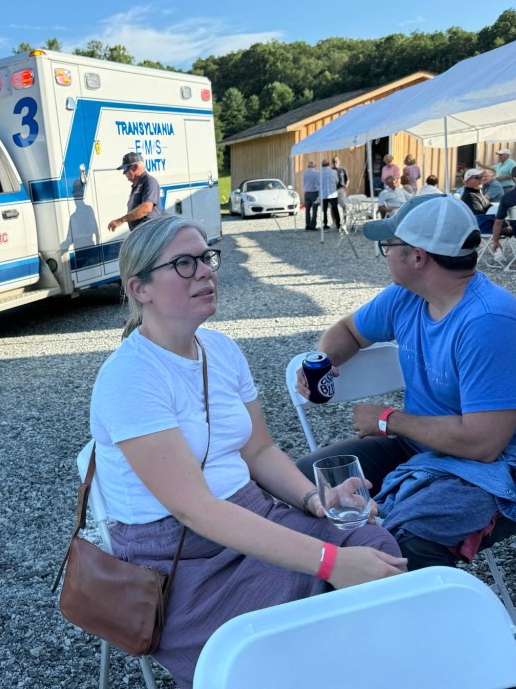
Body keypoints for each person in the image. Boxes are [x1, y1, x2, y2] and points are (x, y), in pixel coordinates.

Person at [91, 215, 405, 687]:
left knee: (374, 548)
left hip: (251, 513)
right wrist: (330, 562)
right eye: (184, 263)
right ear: (140, 288)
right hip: (179, 554)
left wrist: (315, 499)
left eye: (206, 258)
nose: (205, 271)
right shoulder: (130, 377)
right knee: (275, 638)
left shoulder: (220, 350)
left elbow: (259, 451)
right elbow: (195, 509)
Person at [294, 196, 516, 571]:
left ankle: (418, 605)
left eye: (388, 245)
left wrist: (387, 419)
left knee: (401, 543)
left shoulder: (490, 322)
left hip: (514, 468)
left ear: (418, 257)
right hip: (427, 446)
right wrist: (323, 361)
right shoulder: (406, 296)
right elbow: (349, 331)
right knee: (301, 484)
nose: (385, 253)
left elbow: (483, 444)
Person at [108, 152, 162, 232]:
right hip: (141, 233)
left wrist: (121, 220)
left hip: (150, 232)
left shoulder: (149, 181)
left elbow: (146, 208)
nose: (124, 173)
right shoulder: (137, 185)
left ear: (136, 167)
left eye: (125, 169)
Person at [458, 169, 495, 235]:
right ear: (468, 180)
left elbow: (489, 208)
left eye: (481, 177)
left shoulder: (476, 193)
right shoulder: (470, 196)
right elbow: (479, 218)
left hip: (487, 226)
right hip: (483, 229)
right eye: (478, 178)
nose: (481, 180)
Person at [320, 159, 341, 230]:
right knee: (335, 209)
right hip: (333, 193)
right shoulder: (333, 172)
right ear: (329, 164)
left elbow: (318, 183)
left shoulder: (320, 173)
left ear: (322, 165)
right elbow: (337, 181)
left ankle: (325, 224)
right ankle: (338, 224)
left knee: (324, 210)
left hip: (324, 194)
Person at [302, 160, 321, 230]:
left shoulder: (304, 173)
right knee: (314, 209)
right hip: (314, 192)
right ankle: (312, 226)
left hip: (306, 192)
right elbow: (319, 182)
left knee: (307, 210)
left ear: (308, 166)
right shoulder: (317, 172)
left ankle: (307, 225)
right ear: (315, 166)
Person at [333, 157, 349, 225]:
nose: (335, 163)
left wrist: (346, 186)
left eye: (336, 162)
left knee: (344, 206)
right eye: (334, 162)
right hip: (333, 190)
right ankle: (335, 222)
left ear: (339, 162)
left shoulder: (343, 170)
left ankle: (345, 221)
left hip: (341, 189)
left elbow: (347, 179)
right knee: (333, 207)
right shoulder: (331, 170)